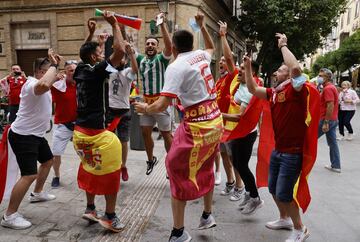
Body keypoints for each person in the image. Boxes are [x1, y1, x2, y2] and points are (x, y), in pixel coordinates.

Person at [134, 13, 223, 242]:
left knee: (174, 169)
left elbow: (162, 104)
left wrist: (145, 108)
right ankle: (206, 214)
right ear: (192, 44)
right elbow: (212, 47)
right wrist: (203, 27)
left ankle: (178, 232)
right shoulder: (201, 55)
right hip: (215, 120)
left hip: (197, 125)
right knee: (206, 164)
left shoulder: (175, 67)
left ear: (172, 47)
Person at [246, 33, 320, 242]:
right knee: (273, 188)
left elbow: (296, 68)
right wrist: (247, 66)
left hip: (292, 153)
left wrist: (284, 46)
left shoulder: (297, 89)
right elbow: (252, 88)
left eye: (280, 70)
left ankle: (300, 229)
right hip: (279, 150)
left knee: (285, 193)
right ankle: (285, 218)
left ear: (288, 75)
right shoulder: (275, 91)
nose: (276, 72)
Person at [72, 12, 126, 232]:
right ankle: (110, 216)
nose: (103, 53)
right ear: (95, 58)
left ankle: (90, 208)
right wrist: (115, 25)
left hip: (79, 134)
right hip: (97, 134)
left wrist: (92, 34)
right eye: (100, 52)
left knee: (89, 167)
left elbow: (84, 53)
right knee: (113, 172)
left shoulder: (80, 69)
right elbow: (120, 51)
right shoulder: (96, 71)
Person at [1, 49, 61, 230]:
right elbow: (42, 86)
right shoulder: (32, 83)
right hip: (23, 136)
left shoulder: (43, 83)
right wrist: (55, 66)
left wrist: (56, 77)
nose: (55, 74)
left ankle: (37, 193)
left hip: (36, 135)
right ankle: (9, 215)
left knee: (48, 160)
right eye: (51, 71)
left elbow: (47, 86)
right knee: (29, 174)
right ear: (42, 72)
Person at [222, 58, 264, 215]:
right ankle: (249, 193)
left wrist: (219, 115)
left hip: (246, 134)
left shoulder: (248, 90)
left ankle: (255, 197)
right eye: (239, 67)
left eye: (242, 68)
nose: (238, 70)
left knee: (242, 166)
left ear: (251, 72)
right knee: (238, 164)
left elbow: (241, 117)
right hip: (237, 132)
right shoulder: (242, 84)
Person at [136, 12, 173, 175]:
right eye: (148, 44)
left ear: (157, 47)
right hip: (146, 103)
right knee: (145, 133)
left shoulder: (161, 59)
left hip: (162, 103)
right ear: (145, 47)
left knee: (166, 135)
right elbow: (126, 47)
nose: (150, 45)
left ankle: (170, 164)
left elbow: (170, 47)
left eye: (153, 44)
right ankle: (151, 160)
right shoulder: (141, 60)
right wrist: (121, 28)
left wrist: (162, 25)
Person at [215, 20, 244, 200]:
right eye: (220, 61)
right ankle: (230, 182)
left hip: (231, 125)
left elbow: (230, 57)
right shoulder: (219, 81)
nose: (221, 62)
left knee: (234, 158)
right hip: (220, 124)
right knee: (224, 155)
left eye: (224, 61)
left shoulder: (233, 76)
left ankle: (240, 187)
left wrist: (223, 35)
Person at [108, 40, 138, 182]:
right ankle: (111, 166)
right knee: (109, 140)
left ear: (125, 60)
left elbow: (135, 70)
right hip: (110, 111)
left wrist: (130, 53)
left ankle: (123, 166)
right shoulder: (108, 71)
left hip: (124, 112)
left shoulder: (127, 72)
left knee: (123, 140)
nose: (119, 60)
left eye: (122, 58)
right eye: (117, 57)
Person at [50, 60, 78, 188]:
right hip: (62, 124)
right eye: (71, 70)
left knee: (86, 152)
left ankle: (88, 175)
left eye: (75, 70)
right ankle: (56, 176)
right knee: (56, 153)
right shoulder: (58, 85)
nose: (74, 72)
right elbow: (45, 84)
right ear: (65, 72)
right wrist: (55, 76)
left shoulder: (81, 84)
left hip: (79, 124)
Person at [317, 68, 341, 173]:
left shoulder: (328, 89)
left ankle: (300, 162)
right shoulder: (330, 87)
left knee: (309, 139)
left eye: (321, 76)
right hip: (332, 119)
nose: (319, 77)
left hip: (326, 120)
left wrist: (326, 122)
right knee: (332, 143)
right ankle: (336, 165)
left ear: (328, 77)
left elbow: (330, 105)